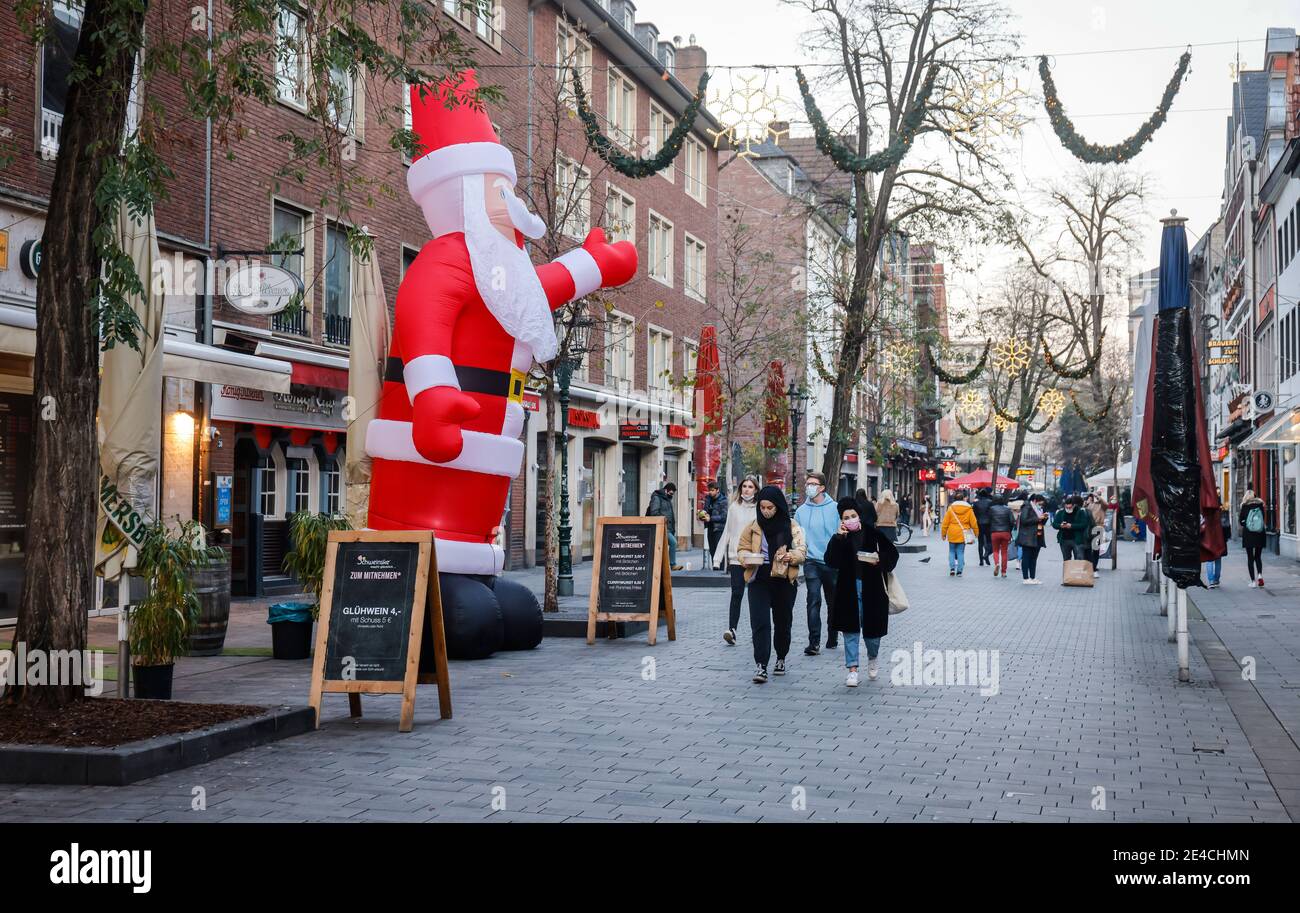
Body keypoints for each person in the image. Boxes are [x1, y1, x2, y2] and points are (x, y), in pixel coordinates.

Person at [824, 498, 899, 687]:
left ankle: (872, 657)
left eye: (853, 516)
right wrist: (838, 538)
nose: (850, 520)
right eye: (846, 517)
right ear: (841, 520)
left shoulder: (873, 534)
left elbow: (892, 555)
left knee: (872, 633)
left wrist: (878, 560)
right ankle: (852, 669)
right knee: (850, 630)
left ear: (859, 516)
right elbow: (830, 561)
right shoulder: (840, 537)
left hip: (872, 588)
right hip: (848, 589)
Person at [737, 485, 807, 683]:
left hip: (784, 580)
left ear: (778, 507)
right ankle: (761, 665)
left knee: (783, 622)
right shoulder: (753, 526)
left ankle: (781, 657)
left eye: (770, 508)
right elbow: (741, 549)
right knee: (760, 623)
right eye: (763, 508)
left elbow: (802, 550)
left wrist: (790, 556)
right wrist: (747, 558)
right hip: (759, 579)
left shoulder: (791, 525)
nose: (766, 512)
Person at [795, 472, 841, 655]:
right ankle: (813, 642)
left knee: (833, 602)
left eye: (813, 484)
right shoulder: (800, 512)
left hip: (831, 562)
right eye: (807, 484)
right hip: (811, 562)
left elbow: (840, 534)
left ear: (822, 487)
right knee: (813, 600)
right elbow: (797, 538)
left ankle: (833, 635)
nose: (809, 487)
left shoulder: (835, 508)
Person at [713, 476, 759, 645]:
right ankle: (732, 630)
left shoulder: (759, 509)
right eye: (744, 486)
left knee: (756, 597)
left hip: (754, 559)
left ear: (755, 489)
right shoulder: (734, 507)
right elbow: (727, 532)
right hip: (735, 558)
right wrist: (717, 558)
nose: (747, 489)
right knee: (737, 594)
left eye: (750, 487)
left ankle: (758, 632)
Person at [646, 482, 684, 571]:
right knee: (673, 543)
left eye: (673, 494)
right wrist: (664, 519)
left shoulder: (667, 499)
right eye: (671, 493)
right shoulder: (657, 498)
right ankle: (673, 565)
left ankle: (660, 566)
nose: (672, 495)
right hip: (661, 526)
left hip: (667, 527)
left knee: (661, 548)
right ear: (666, 490)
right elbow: (654, 512)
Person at [940, 491, 978, 577]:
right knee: (960, 552)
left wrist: (943, 534)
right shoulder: (969, 509)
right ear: (963, 499)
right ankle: (960, 571)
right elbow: (974, 522)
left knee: (951, 551)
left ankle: (952, 568)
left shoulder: (950, 508)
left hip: (952, 532)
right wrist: (976, 533)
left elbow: (945, 523)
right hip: (963, 533)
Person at [1016, 493, 1048, 584]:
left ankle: (1033, 577)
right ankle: (1025, 578)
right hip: (1028, 537)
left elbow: (1041, 522)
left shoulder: (1038, 509)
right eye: (1040, 503)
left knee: (1034, 558)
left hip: (1037, 536)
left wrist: (1044, 518)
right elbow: (1024, 520)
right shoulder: (1027, 507)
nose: (1041, 505)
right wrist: (1038, 518)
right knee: (1026, 557)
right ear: (1035, 501)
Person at [1240, 490, 1268, 587]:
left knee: (1250, 558)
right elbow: (1263, 518)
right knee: (1258, 556)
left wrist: (1246, 523)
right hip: (1260, 533)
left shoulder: (1244, 506)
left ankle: (1253, 582)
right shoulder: (1260, 505)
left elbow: (1241, 521)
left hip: (1248, 534)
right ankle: (1260, 575)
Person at [1053, 496, 1092, 562]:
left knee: (1079, 559)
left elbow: (1084, 524)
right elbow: (1054, 524)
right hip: (1064, 540)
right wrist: (1060, 525)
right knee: (1066, 560)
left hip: (1077, 540)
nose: (1068, 509)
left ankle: (1078, 572)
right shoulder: (1061, 512)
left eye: (1070, 507)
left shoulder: (1080, 512)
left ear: (1074, 505)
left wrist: (1071, 526)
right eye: (1066, 507)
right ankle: (1067, 572)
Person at [701, 481, 729, 572]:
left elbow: (724, 517)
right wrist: (702, 514)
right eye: (709, 490)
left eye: (712, 490)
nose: (710, 492)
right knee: (712, 550)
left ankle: (721, 569)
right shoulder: (708, 499)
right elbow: (705, 510)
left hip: (719, 529)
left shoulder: (723, 500)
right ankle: (715, 569)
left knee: (719, 550)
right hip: (710, 527)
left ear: (717, 490)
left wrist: (711, 518)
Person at [988, 494, 1013, 578]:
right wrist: (1009, 530)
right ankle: (1003, 572)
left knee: (995, 550)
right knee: (1004, 552)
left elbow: (988, 520)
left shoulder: (991, 509)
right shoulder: (1007, 509)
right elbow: (1012, 521)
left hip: (994, 532)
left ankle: (997, 563)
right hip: (1005, 532)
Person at [1085, 493, 1107, 578]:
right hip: (1087, 529)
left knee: (1095, 549)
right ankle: (1089, 567)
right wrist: (1086, 503)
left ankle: (1094, 569)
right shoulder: (1087, 505)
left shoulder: (1101, 506)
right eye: (1091, 497)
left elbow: (1106, 504)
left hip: (1098, 528)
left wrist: (1097, 497)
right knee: (1087, 549)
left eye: (1094, 497)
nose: (1092, 498)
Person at [972, 487, 994, 566]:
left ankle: (981, 560)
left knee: (980, 543)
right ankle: (986, 554)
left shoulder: (976, 503)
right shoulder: (990, 502)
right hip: (988, 524)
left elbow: (973, 514)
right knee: (989, 541)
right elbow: (992, 513)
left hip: (979, 524)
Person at [1007, 491, 1025, 569]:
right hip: (1023, 528)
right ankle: (1019, 560)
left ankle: (1017, 561)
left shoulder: (1013, 505)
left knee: (1017, 544)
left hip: (1014, 529)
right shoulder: (1025, 505)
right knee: (1021, 546)